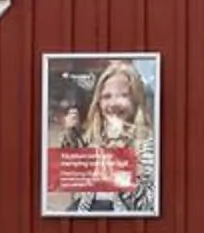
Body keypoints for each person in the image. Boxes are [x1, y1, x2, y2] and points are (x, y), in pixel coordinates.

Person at [54, 59, 158, 214]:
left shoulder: (146, 144)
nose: (113, 103)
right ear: (98, 102)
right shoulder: (95, 136)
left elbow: (148, 205)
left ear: (136, 100)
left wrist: (123, 172)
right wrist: (71, 135)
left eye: (123, 95)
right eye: (107, 96)